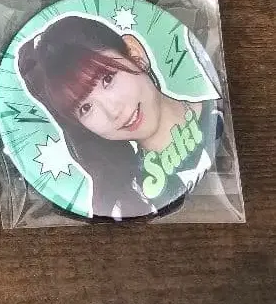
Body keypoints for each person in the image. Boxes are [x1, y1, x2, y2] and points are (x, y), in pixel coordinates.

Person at [17, 14, 221, 219]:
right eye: (85, 108)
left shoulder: (222, 117)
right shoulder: (134, 199)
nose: (113, 111)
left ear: (134, 53)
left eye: (107, 79)